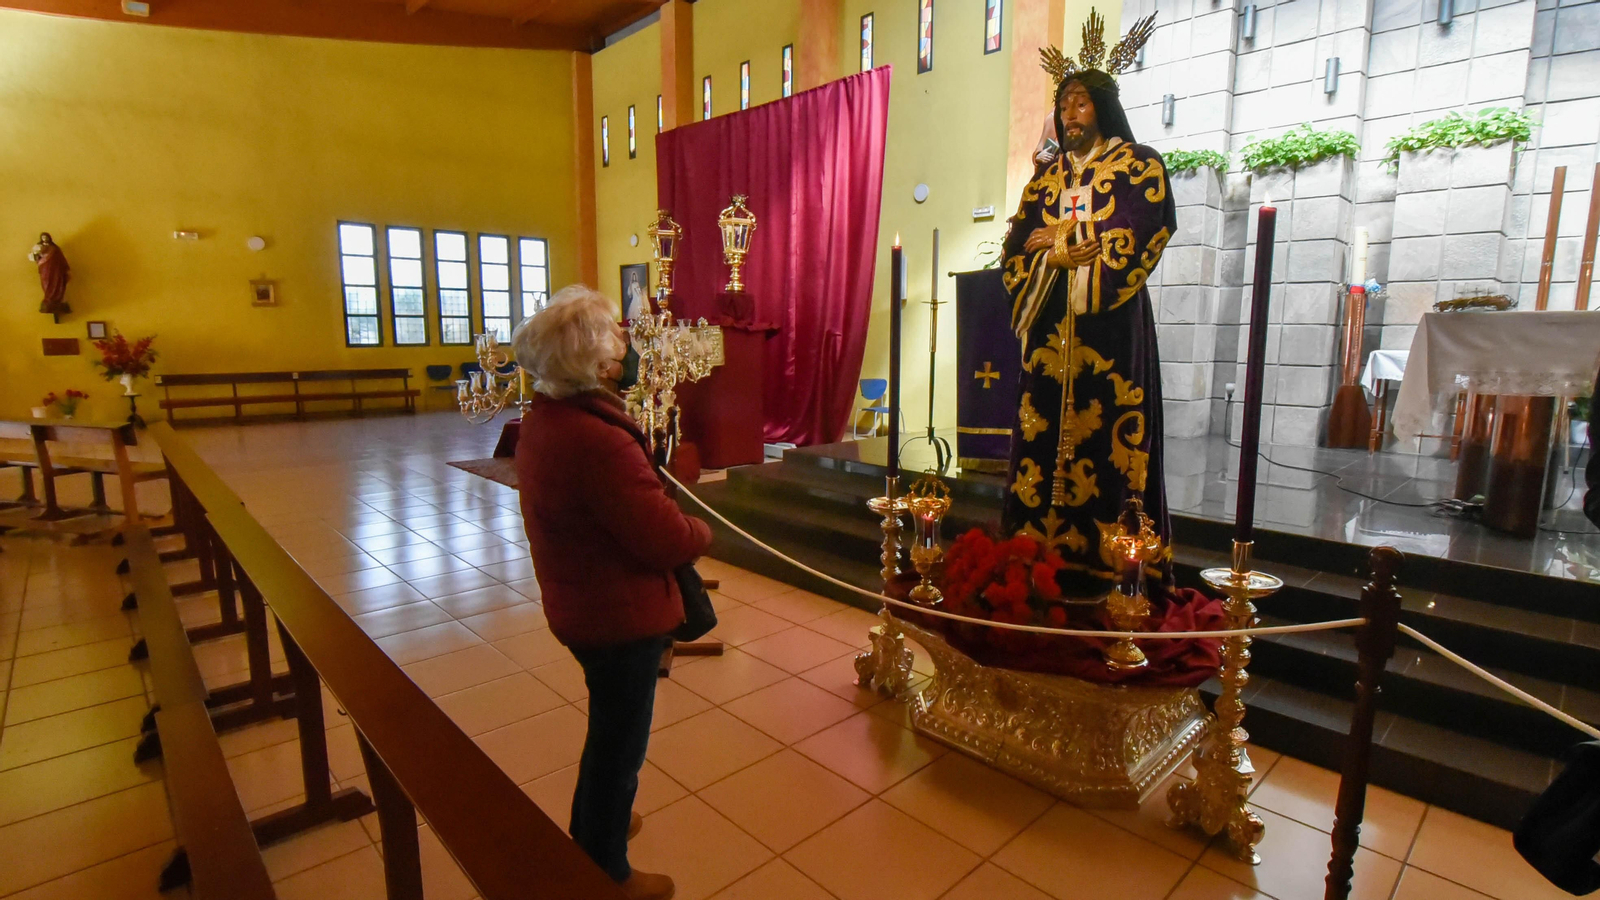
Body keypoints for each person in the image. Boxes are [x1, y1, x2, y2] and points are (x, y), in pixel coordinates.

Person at [513, 284, 711, 900]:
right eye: (615, 337)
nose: (626, 344)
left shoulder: (547, 419)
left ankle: (600, 820)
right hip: (615, 616)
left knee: (609, 724)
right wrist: (700, 528)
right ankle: (603, 866)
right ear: (595, 363)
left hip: (581, 602)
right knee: (617, 742)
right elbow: (665, 539)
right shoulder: (596, 439)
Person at [999, 11, 1174, 600]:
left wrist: (1064, 242)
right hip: (1050, 329)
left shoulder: (1137, 165)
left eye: (1080, 103)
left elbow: (1141, 228)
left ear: (1102, 106)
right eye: (1064, 104)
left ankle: (1115, 566)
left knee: (1107, 446)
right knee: (1041, 439)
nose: (1070, 114)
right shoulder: (1043, 182)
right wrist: (1055, 255)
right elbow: (1016, 245)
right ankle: (1036, 556)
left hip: (1109, 331)